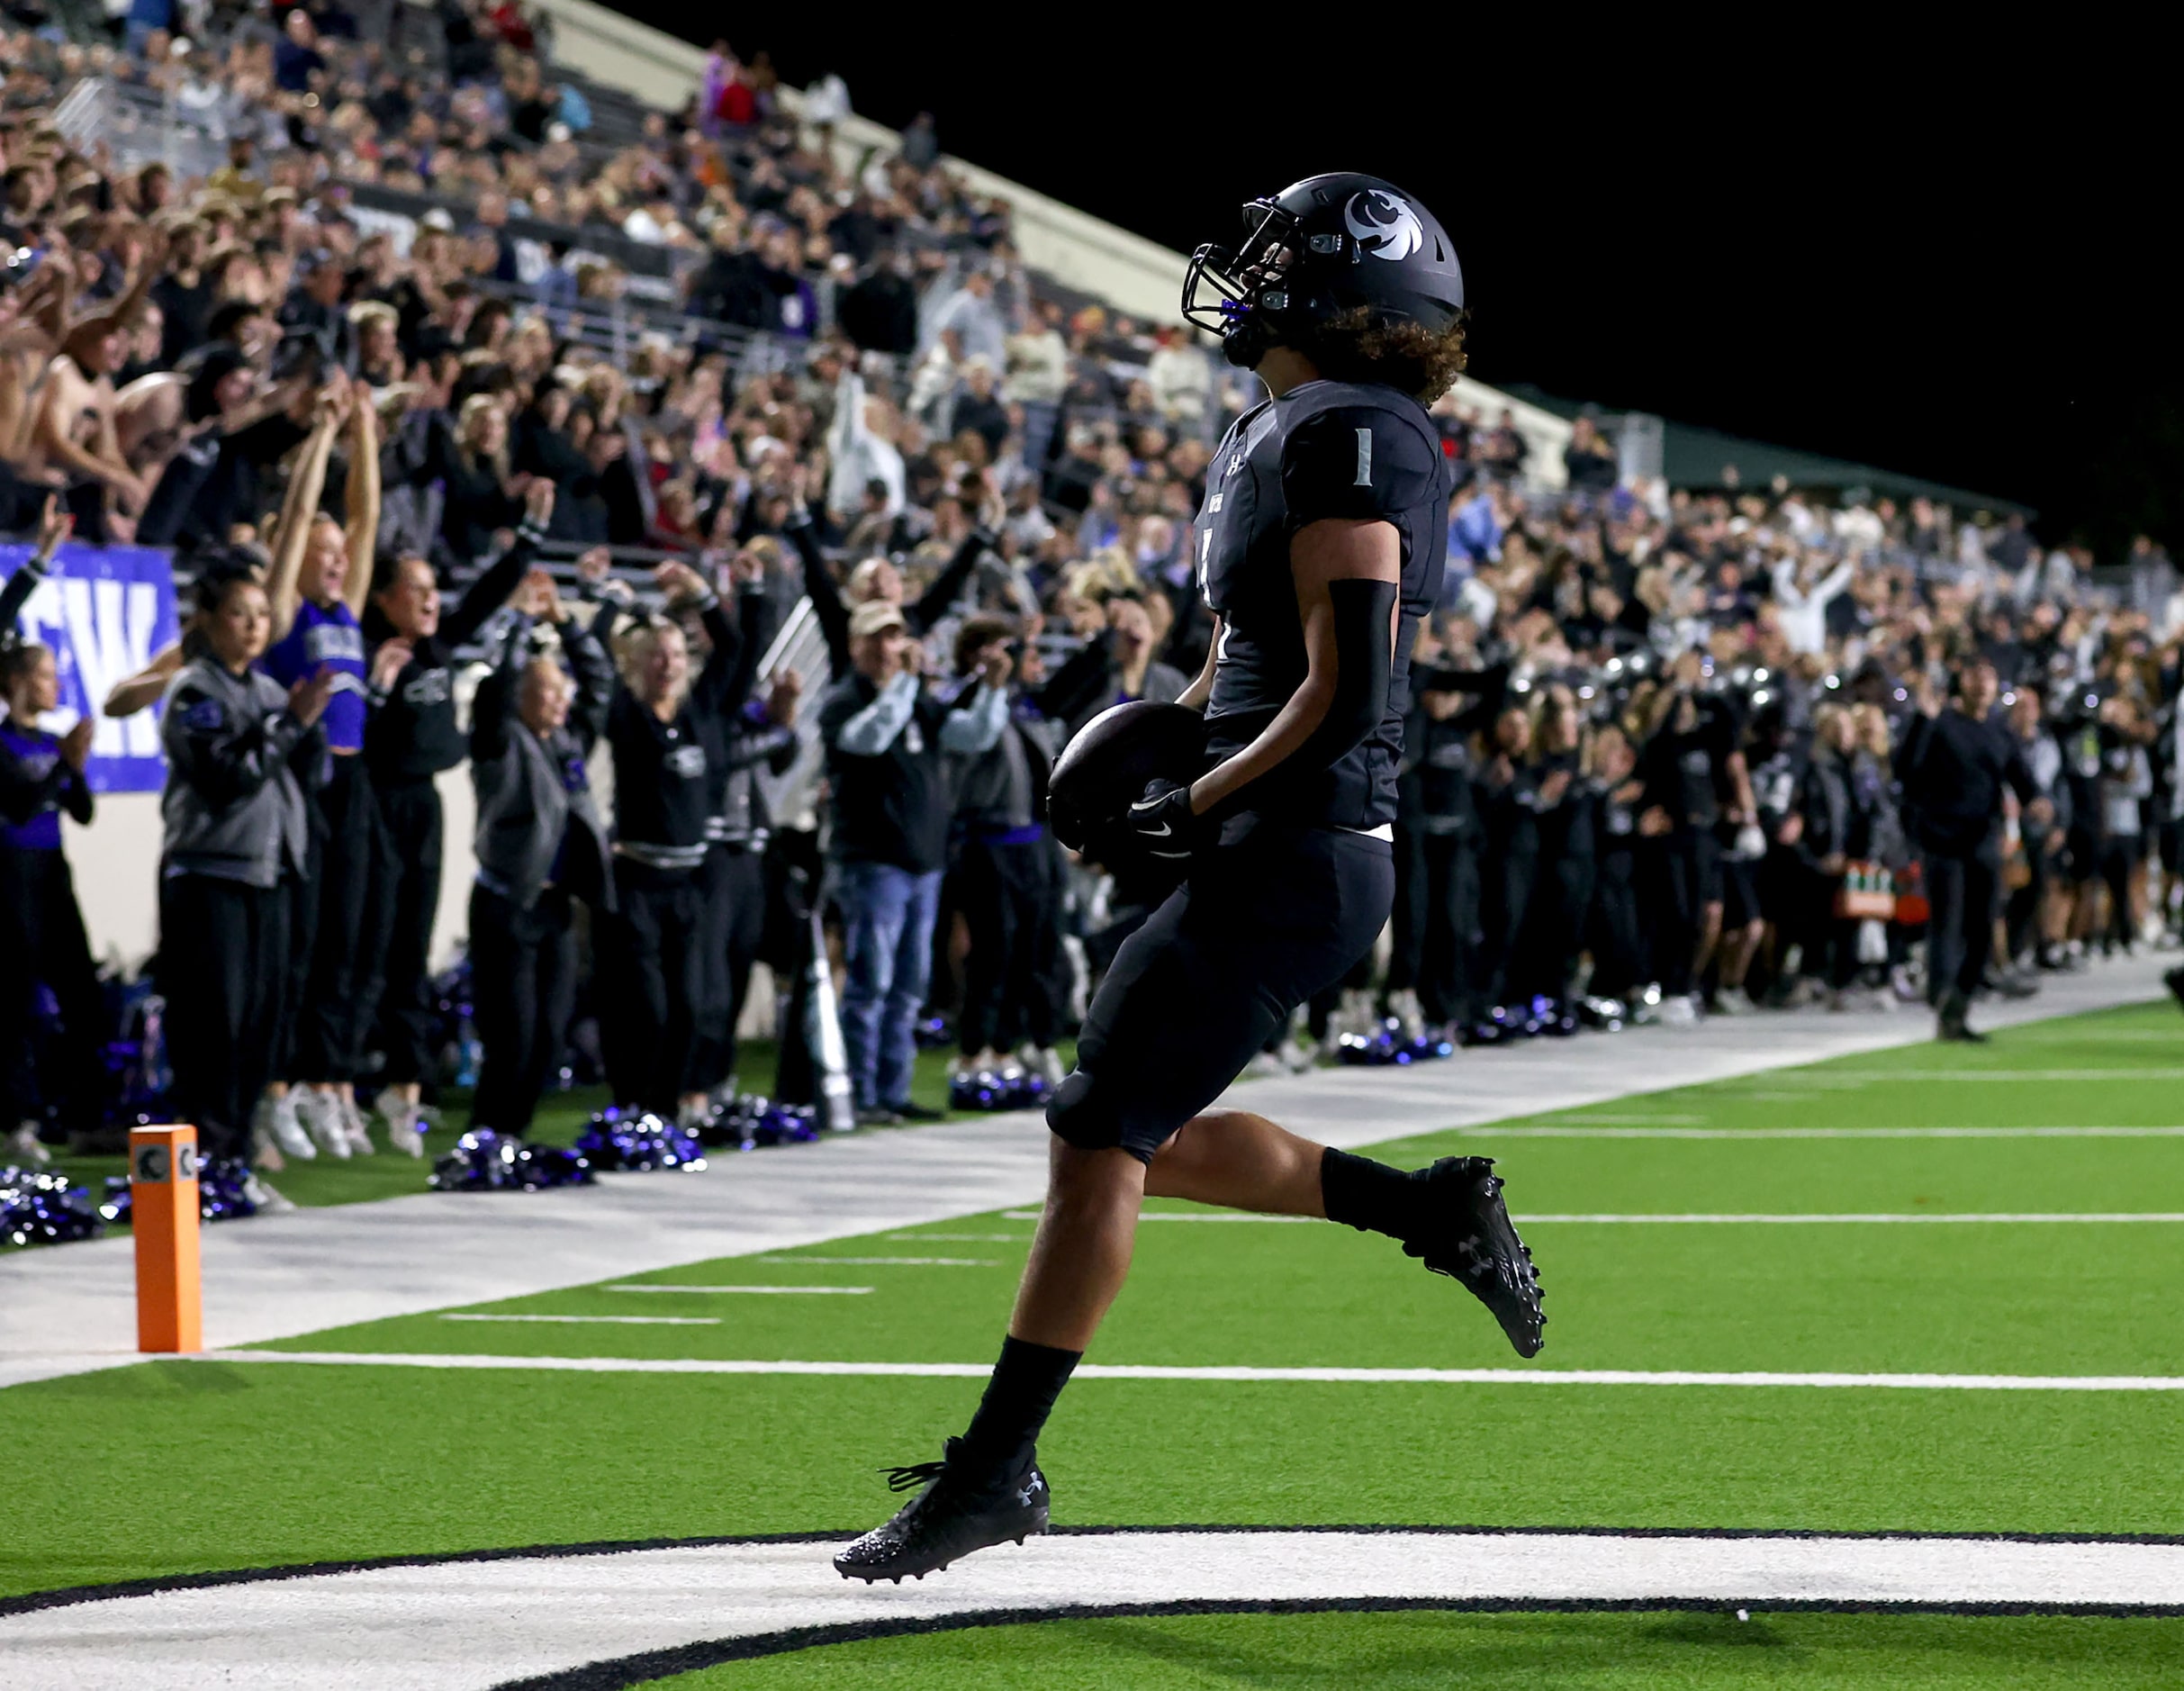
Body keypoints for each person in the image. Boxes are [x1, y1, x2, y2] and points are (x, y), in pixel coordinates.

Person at [835, 175, 1540, 1583]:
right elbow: (1241, 659)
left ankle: (993, 1472)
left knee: (1100, 1134)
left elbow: (1340, 696)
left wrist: (1191, 795)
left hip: (1301, 841)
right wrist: (1156, 746)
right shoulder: (1275, 429)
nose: (1244, 274)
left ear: (1350, 297)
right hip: (1262, 832)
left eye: (1279, 257)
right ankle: (1428, 1207)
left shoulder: (1353, 432)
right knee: (1116, 1124)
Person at [358, 479, 555, 1153]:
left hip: (427, 805)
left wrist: (528, 537)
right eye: (415, 591)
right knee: (370, 945)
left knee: (411, 947)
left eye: (431, 589)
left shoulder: (440, 648)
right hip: (373, 806)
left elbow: (482, 597)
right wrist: (378, 689)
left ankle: (405, 1087)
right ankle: (334, 1084)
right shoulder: (370, 650)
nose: (430, 600)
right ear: (382, 600)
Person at [158, 560, 333, 1190]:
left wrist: (303, 728)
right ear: (208, 620)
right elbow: (227, 777)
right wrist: (291, 724)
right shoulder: (194, 692)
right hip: (210, 879)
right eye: (240, 613)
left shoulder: (266, 692)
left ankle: (236, 1158)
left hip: (270, 878)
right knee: (216, 1026)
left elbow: (304, 778)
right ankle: (207, 1162)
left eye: (263, 615)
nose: (255, 627)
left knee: (262, 1026)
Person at [818, 598, 1011, 1125]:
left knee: (907, 988)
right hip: (873, 863)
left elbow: (972, 734)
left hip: (922, 865)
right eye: (878, 637)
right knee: (870, 984)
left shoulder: (918, 702)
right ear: (856, 645)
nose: (890, 647)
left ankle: (892, 1091)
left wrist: (993, 688)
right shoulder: (843, 701)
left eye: (896, 636)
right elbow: (871, 736)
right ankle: (860, 1094)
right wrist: (906, 685)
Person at [257, 380, 381, 1158]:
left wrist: (365, 430)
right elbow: (303, 519)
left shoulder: (346, 613)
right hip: (298, 780)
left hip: (354, 779)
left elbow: (365, 519)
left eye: (340, 558)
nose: (335, 564)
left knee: (346, 938)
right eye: (322, 555)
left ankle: (320, 1083)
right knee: (297, 943)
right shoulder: (283, 612)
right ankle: (273, 1090)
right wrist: (320, 442)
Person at [466, 564, 615, 1139]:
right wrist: (518, 630)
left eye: (560, 689)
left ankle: (516, 1136)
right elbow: (490, 699)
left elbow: (599, 684)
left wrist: (565, 625)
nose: (557, 700)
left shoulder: (570, 740)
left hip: (554, 908)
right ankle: (487, 1136)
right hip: (508, 903)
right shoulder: (502, 747)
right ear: (522, 697)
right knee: (514, 1032)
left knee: (550, 1035)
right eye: (544, 690)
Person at [0, 506, 99, 1164]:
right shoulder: (6, 741)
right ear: (13, 683)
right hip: (10, 879)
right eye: (43, 671)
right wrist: (35, 562)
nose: (54, 680)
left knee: (82, 993)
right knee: (16, 1000)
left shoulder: (48, 739)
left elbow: (82, 812)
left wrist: (75, 769)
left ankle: (79, 1113)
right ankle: (19, 1119)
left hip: (53, 872)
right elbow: (15, 807)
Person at [1897, 660, 2043, 1041]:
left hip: (1982, 839)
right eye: (1975, 677)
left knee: (1982, 926)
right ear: (1962, 683)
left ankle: (1959, 1000)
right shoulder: (1940, 725)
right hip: (1943, 839)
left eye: (1988, 677)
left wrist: (2037, 801)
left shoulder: (1997, 730)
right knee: (1947, 925)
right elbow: (1906, 771)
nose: (1982, 685)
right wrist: (1921, 722)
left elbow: (2020, 776)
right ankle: (1943, 999)